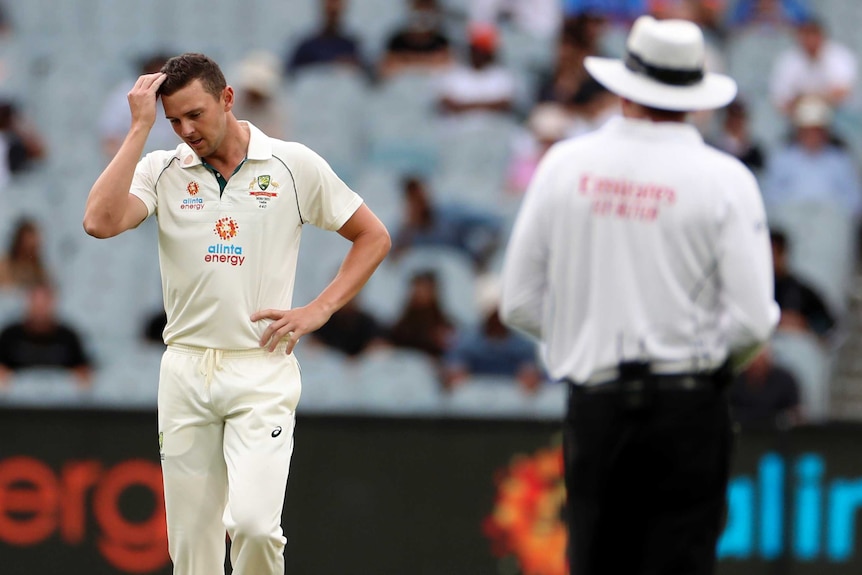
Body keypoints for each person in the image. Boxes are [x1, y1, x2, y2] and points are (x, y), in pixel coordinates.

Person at [82, 53, 391, 575]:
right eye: (174, 120)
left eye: (195, 115)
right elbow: (99, 221)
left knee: (253, 525)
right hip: (185, 369)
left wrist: (320, 309)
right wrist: (139, 129)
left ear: (228, 98)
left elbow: (373, 236)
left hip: (260, 366)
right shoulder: (162, 169)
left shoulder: (293, 165)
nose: (186, 130)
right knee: (193, 547)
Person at [500, 16, 778, 575]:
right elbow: (751, 322)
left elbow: (519, 303)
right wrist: (704, 366)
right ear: (696, 97)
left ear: (625, 85)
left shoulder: (565, 166)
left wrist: (584, 340)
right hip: (688, 406)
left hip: (598, 406)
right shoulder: (725, 179)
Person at [0, 282, 92, 387]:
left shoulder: (68, 336)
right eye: (36, 302)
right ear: (28, 302)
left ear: (52, 303)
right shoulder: (10, 335)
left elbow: (83, 369)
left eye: (44, 302)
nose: (40, 309)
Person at [769, 16, 856, 116]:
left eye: (814, 34)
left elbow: (842, 92)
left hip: (835, 114)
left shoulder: (840, 55)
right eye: (806, 35)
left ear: (823, 36)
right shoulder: (787, 61)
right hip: (797, 116)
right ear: (798, 37)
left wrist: (808, 99)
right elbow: (781, 100)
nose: (811, 40)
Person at [770, 229, 835, 338]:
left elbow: (829, 327)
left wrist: (805, 324)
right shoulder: (757, 289)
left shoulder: (800, 291)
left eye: (773, 253)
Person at [284, 0, 365, 77]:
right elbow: (289, 75)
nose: (333, 7)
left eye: (337, 3)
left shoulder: (352, 47)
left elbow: (366, 77)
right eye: (330, 2)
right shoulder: (306, 47)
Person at [729, 345, 801, 429]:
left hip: (776, 434)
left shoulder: (784, 380)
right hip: (741, 432)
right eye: (752, 362)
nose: (757, 365)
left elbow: (795, 412)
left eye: (761, 360)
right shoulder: (734, 379)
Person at [0, 218, 50, 291]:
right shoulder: (4, 265)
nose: (29, 248)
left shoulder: (40, 270)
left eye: (33, 246)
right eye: (26, 243)